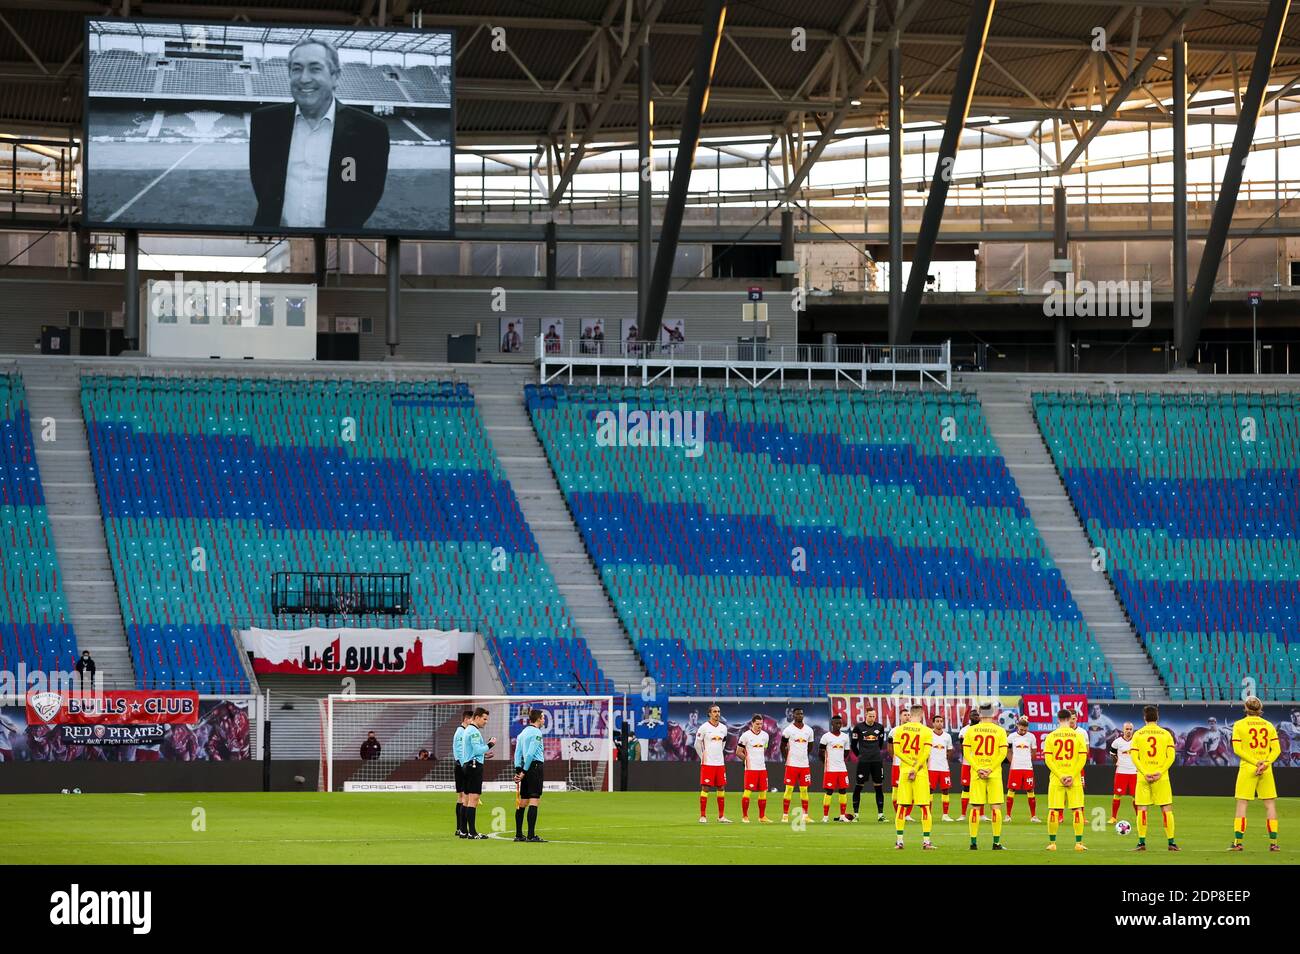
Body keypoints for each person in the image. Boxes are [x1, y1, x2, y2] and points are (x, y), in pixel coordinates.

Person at [249, 38, 390, 229]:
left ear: (335, 76)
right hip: (273, 240)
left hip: (336, 244)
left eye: (315, 68)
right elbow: (262, 183)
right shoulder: (265, 123)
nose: (304, 78)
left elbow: (367, 193)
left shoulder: (368, 131)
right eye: (296, 69)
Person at [1231, 696, 1280, 851]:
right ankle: (1274, 843)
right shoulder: (1269, 725)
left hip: (1248, 768)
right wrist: (1265, 763)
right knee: (1270, 805)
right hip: (1266, 770)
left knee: (1242, 804)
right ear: (1260, 709)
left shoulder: (1239, 725)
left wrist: (1255, 763)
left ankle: (1238, 843)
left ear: (1246, 708)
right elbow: (1277, 750)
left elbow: (1237, 750)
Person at [1130, 705, 1179, 851]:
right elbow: (1171, 756)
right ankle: (1171, 843)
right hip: (1161, 777)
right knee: (1166, 809)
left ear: (1144, 717)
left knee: (1142, 809)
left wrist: (1145, 772)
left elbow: (1134, 756)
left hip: (1143, 777)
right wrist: (1160, 771)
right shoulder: (1166, 734)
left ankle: (1141, 843)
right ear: (1157, 717)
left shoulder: (1138, 734)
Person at [964, 702, 1009, 850]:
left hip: (977, 773)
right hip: (994, 773)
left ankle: (973, 843)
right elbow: (1003, 753)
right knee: (996, 807)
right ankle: (996, 843)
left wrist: (978, 768)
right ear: (993, 713)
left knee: (975, 807)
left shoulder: (971, 731)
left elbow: (966, 754)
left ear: (980, 713)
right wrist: (990, 769)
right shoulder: (1000, 731)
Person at [891, 704, 935, 850]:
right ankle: (926, 841)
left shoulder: (899, 730)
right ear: (922, 714)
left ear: (910, 714)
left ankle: (899, 841)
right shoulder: (927, 731)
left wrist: (910, 765)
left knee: (902, 806)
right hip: (920, 772)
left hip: (904, 771)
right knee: (924, 806)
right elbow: (926, 753)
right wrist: (915, 767)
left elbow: (897, 751)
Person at [1043, 708, 1088, 852]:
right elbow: (1082, 758)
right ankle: (1078, 843)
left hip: (1057, 778)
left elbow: (1048, 759)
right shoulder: (1078, 736)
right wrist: (1072, 775)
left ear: (1058, 719)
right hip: (1073, 779)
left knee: (1054, 810)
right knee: (1076, 810)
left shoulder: (1051, 736)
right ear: (1070, 719)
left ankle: (1052, 843)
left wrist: (1060, 775)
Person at [458, 707, 496, 840]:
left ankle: (463, 831)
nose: (486, 722)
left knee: (466, 799)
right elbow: (477, 750)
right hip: (474, 767)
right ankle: (472, 832)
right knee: (473, 799)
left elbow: (473, 751)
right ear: (477, 717)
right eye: (484, 719)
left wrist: (484, 754)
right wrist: (490, 744)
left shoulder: (468, 730)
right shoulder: (473, 731)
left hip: (468, 765)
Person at [513, 708, 546, 843]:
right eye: (543, 717)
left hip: (524, 768)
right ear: (538, 719)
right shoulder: (537, 733)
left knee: (523, 802)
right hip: (534, 767)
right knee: (534, 800)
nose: (544, 720)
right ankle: (531, 835)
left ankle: (519, 834)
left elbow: (517, 753)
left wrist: (518, 770)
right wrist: (525, 771)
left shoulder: (523, 733)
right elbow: (531, 754)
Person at [849, 707, 888, 821]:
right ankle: (856, 815)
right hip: (863, 762)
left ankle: (880, 815)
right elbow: (853, 745)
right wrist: (860, 756)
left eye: (873, 716)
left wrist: (874, 752)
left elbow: (880, 744)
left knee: (878, 787)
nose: (872, 718)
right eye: (870, 716)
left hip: (876, 761)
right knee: (859, 786)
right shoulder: (858, 728)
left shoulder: (879, 727)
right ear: (865, 715)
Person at [694, 705, 730, 823]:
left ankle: (721, 816)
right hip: (707, 763)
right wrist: (702, 757)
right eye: (714, 711)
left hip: (719, 763)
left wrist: (718, 754)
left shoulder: (723, 728)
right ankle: (703, 816)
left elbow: (723, 743)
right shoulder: (703, 728)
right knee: (705, 788)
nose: (717, 714)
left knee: (721, 787)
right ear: (709, 713)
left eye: (719, 711)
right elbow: (697, 744)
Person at [779, 707, 815, 822]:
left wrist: (803, 755)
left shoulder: (809, 730)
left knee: (804, 790)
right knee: (789, 789)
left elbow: (810, 746)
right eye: (798, 714)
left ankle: (805, 816)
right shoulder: (788, 730)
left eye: (801, 714)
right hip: (792, 765)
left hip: (804, 765)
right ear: (793, 716)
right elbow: (782, 746)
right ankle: (785, 815)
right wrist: (787, 757)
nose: (800, 716)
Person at [736, 714, 772, 823]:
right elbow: (738, 752)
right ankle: (745, 816)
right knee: (748, 791)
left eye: (761, 724)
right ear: (752, 723)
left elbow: (764, 748)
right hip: (751, 769)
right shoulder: (745, 736)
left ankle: (762, 817)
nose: (759, 726)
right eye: (757, 724)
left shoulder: (765, 736)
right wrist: (746, 760)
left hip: (762, 768)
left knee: (763, 791)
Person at [1006, 715, 1040, 822]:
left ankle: (1033, 816)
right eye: (1021, 729)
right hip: (1015, 767)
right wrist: (1013, 761)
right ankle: (1008, 816)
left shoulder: (1031, 737)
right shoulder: (1011, 737)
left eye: (1025, 730)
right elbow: (1008, 751)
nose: (1023, 732)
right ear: (1017, 726)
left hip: (1027, 767)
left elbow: (1034, 751)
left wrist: (1028, 760)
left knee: (1030, 789)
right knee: (1012, 789)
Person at [819, 715, 853, 822]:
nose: (838, 725)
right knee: (829, 792)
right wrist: (827, 762)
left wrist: (839, 761)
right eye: (836, 723)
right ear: (832, 724)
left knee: (843, 791)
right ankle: (825, 817)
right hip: (830, 769)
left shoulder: (845, 737)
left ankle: (842, 816)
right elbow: (821, 752)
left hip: (842, 769)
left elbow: (846, 752)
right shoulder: (826, 737)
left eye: (840, 723)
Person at [927, 714, 955, 822]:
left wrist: (944, 759)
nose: (939, 723)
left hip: (944, 768)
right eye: (937, 721)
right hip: (931, 768)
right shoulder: (929, 735)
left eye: (941, 721)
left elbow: (949, 750)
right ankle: (928, 813)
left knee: (945, 790)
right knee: (930, 791)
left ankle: (945, 815)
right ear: (933, 723)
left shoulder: (947, 736)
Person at [1109, 721, 1138, 824]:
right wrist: (1117, 761)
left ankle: (1139, 817)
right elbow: (1112, 753)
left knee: (1136, 796)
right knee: (1117, 795)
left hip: (1134, 772)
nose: (1128, 731)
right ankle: (1113, 817)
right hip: (1121, 772)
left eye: (1130, 729)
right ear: (1123, 729)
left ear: (1133, 730)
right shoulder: (1117, 742)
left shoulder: (1136, 741)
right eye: (1127, 729)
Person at [451, 708, 473, 838]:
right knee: (463, 797)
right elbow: (459, 751)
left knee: (461, 797)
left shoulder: (463, 731)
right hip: (461, 766)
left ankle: (460, 828)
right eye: (472, 719)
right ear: (466, 719)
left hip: (461, 765)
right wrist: (465, 764)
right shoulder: (461, 732)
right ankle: (461, 828)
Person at [957, 708, 980, 819]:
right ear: (969, 717)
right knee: (966, 788)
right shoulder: (964, 730)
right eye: (973, 715)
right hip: (967, 763)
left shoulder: (983, 729)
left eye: (976, 715)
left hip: (980, 763)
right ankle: (963, 814)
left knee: (980, 788)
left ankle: (982, 814)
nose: (975, 716)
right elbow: (963, 748)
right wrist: (967, 758)